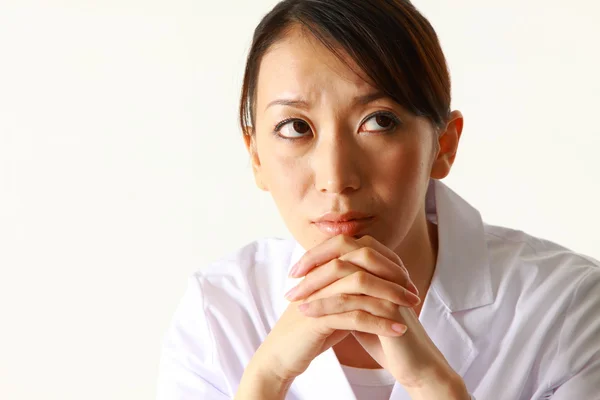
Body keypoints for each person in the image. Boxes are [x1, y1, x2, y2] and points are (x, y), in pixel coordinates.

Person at [156, 1, 600, 399]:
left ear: (443, 145)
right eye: (295, 127)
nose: (337, 179)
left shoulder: (568, 307)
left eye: (379, 121)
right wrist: (266, 377)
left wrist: (435, 386)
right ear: (255, 156)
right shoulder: (217, 312)